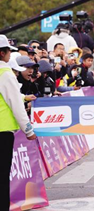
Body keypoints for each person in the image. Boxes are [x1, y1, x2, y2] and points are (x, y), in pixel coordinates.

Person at [0, 35, 36, 210]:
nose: (9, 56)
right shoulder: (5, 72)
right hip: (3, 131)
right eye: (8, 51)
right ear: (2, 53)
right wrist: (28, 130)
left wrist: (23, 96)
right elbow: (14, 103)